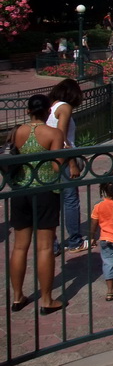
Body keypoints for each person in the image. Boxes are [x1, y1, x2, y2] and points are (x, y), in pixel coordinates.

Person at [8, 94, 66, 315]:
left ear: (28, 110)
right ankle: (47, 300)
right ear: (48, 112)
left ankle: (17, 297)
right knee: (44, 247)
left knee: (19, 246)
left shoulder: (17, 132)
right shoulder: (53, 133)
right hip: (45, 191)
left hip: (20, 190)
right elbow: (55, 168)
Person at [47, 79, 87, 254]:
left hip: (48, 159)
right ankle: (75, 241)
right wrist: (72, 163)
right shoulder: (65, 107)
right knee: (70, 200)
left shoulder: (51, 106)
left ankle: (52, 244)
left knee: (52, 201)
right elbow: (61, 137)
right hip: (62, 159)